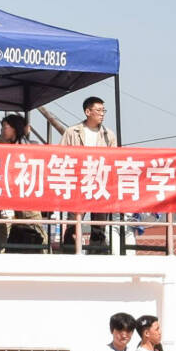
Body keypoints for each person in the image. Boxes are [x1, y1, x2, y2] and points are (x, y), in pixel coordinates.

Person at [61, 97, 117, 252]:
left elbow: (114, 159)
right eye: (98, 110)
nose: (102, 114)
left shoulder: (108, 135)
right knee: (73, 222)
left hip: (100, 183)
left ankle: (97, 253)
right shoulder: (72, 132)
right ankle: (69, 253)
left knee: (99, 224)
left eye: (103, 110)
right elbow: (60, 155)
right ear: (87, 112)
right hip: (78, 182)